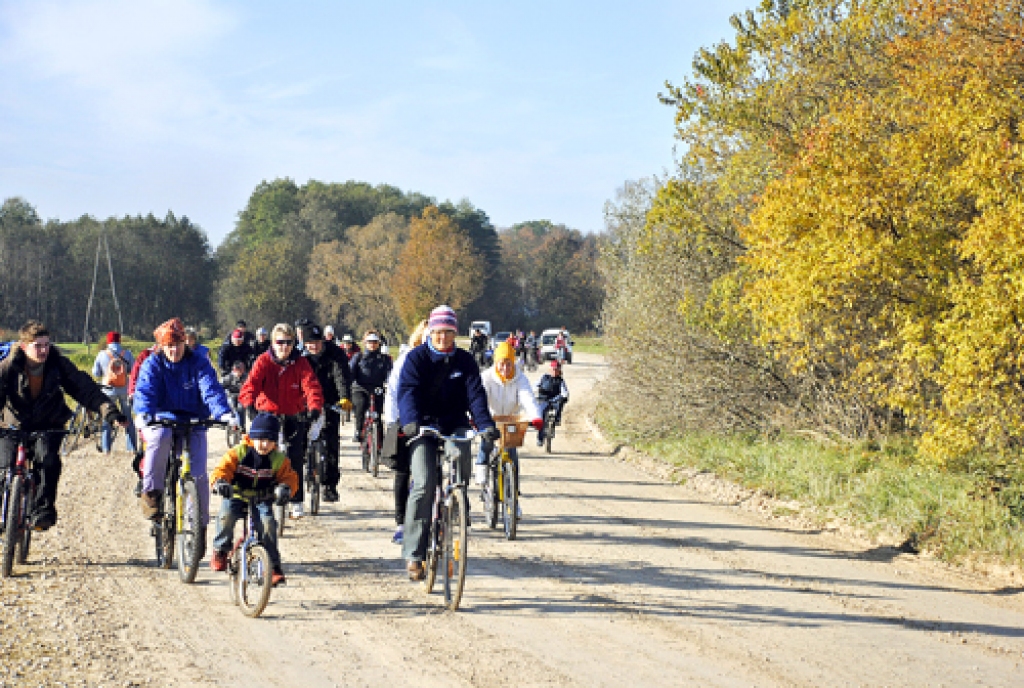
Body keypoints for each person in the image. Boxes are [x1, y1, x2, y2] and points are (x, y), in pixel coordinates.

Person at [396, 305, 498, 580]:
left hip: (455, 424)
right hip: (423, 426)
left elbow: (476, 395)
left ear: (455, 333)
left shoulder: (465, 361)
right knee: (424, 483)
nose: (443, 337)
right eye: (438, 332)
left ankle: (456, 503)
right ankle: (414, 554)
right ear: (431, 331)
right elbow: (407, 392)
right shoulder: (417, 358)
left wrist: (486, 425)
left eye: (448, 332)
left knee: (461, 457)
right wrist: (411, 421)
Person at [0, 320, 126, 530]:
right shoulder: (8, 367)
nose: (43, 350)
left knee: (48, 462)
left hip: (48, 424)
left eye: (46, 345)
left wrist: (110, 411)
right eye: (37, 346)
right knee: (3, 468)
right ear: (24, 346)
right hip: (12, 425)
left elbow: (84, 389)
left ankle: (42, 513)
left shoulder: (58, 365)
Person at [133, 318, 236, 548]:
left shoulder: (198, 362)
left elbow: (210, 388)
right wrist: (143, 413)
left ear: (185, 343)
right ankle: (152, 494)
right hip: (162, 419)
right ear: (161, 346)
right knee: (159, 439)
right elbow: (145, 391)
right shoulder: (153, 364)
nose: (174, 350)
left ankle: (198, 526)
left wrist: (223, 413)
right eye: (169, 345)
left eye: (178, 344)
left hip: (193, 420)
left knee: (199, 473)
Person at [238, 323, 324, 519]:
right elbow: (251, 384)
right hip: (268, 415)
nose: (284, 347)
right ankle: (254, 494)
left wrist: (314, 408)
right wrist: (249, 404)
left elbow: (311, 386)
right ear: (273, 343)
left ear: (294, 344)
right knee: (259, 454)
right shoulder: (263, 361)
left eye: (288, 342)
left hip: (293, 414)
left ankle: (296, 500)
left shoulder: (301, 363)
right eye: (280, 342)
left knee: (295, 458)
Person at [210, 413, 297, 586]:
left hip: (262, 497)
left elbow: (289, 477)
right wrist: (220, 482)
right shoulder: (239, 452)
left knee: (268, 524)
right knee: (226, 515)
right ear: (251, 437)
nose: (265, 445)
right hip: (236, 494)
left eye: (270, 440)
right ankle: (221, 548)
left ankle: (272, 565)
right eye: (261, 439)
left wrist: (286, 488)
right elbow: (222, 469)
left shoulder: (278, 459)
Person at [474, 341, 543, 517]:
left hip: (511, 419)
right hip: (490, 417)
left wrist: (535, 417)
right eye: (502, 363)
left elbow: (527, 397)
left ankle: (513, 500)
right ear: (496, 363)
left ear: (514, 363)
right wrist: (477, 418)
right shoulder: (486, 377)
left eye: (509, 363)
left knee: (512, 456)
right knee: (487, 443)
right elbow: (479, 399)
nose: (505, 368)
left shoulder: (519, 378)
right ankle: (481, 469)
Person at [381, 319, 428, 545]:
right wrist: (392, 422)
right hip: (404, 421)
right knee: (403, 472)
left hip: (431, 422)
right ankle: (401, 522)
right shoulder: (406, 360)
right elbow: (392, 392)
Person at [300, 323, 352, 503]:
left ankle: (330, 486)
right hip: (306, 402)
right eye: (310, 343)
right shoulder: (299, 356)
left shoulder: (335, 353)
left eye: (317, 342)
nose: (314, 346)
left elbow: (341, 375)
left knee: (331, 444)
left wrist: (344, 397)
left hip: (331, 399)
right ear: (304, 344)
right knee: (300, 440)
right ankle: (305, 471)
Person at [91, 332, 137, 454]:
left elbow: (96, 373)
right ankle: (131, 448)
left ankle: (106, 449)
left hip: (108, 391)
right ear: (119, 341)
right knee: (128, 418)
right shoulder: (127, 354)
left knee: (107, 417)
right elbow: (133, 371)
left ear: (108, 341)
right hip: (124, 389)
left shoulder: (102, 354)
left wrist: (106, 373)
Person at [349, 330, 391, 444]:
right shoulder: (359, 357)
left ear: (379, 343)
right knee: (361, 405)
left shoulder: (384, 359)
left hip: (377, 388)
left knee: (377, 414)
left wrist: (389, 383)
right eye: (370, 342)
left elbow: (390, 373)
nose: (372, 344)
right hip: (360, 388)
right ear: (365, 343)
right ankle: (358, 430)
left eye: (375, 342)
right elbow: (350, 372)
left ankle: (380, 441)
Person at [535, 360, 570, 446]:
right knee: (541, 416)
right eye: (553, 369)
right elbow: (535, 386)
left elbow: (564, 391)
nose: (554, 371)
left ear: (559, 370)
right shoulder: (544, 377)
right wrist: (536, 392)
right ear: (550, 369)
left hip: (554, 399)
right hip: (544, 399)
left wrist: (564, 396)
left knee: (560, 402)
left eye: (556, 369)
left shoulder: (560, 381)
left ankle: (556, 421)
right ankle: (540, 438)